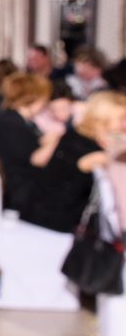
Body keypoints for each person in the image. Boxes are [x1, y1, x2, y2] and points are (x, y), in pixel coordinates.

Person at [24, 91, 126, 233]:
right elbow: (90, 161)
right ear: (103, 118)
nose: (124, 124)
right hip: (54, 223)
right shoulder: (81, 145)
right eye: (121, 118)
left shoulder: (79, 136)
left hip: (49, 216)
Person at [0, 73, 60, 215]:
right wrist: (54, 139)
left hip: (13, 185)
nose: (46, 102)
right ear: (32, 98)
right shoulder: (13, 125)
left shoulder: (12, 119)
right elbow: (37, 160)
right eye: (43, 98)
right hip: (17, 192)